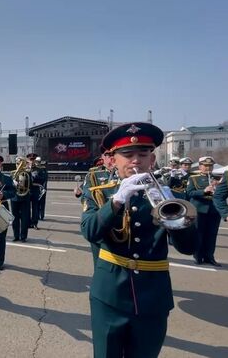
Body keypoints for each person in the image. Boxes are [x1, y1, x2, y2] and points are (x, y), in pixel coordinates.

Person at [81, 122, 195, 358]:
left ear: (152, 159)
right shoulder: (99, 193)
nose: (136, 160)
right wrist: (116, 201)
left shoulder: (172, 195)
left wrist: (173, 214)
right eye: (128, 154)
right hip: (110, 296)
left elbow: (189, 247)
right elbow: (90, 232)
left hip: (153, 296)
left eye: (142, 154)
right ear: (112, 160)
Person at [186, 156, 222, 267]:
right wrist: (204, 191)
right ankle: (198, 256)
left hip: (214, 210)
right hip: (200, 210)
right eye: (205, 166)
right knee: (199, 233)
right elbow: (190, 193)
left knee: (212, 235)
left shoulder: (218, 178)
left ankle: (210, 257)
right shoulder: (194, 178)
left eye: (210, 166)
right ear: (200, 166)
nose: (208, 168)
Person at [10, 157, 31, 242]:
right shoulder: (12, 173)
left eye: (21, 163)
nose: (19, 165)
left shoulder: (27, 173)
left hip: (25, 198)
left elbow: (31, 185)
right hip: (14, 198)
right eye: (18, 163)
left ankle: (23, 236)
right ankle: (16, 236)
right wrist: (13, 183)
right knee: (15, 218)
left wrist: (23, 183)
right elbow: (8, 186)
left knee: (24, 218)